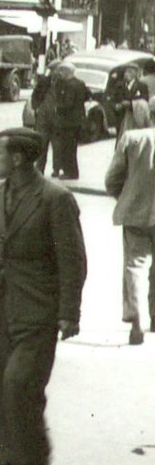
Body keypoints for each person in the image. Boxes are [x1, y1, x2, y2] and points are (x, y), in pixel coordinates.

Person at [0, 128, 85, 465]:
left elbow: (73, 260)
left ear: (18, 158)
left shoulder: (55, 198)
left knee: (20, 382)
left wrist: (69, 312)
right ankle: (8, 455)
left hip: (37, 304)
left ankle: (35, 457)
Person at [105, 125, 155, 345]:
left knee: (135, 265)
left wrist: (127, 198)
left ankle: (138, 320)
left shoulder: (132, 138)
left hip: (136, 215)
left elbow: (112, 180)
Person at [49, 62, 89, 180]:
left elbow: (68, 103)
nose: (60, 73)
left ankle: (70, 172)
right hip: (78, 120)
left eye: (62, 71)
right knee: (73, 148)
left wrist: (57, 107)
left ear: (67, 72)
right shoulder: (80, 83)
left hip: (68, 121)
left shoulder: (69, 85)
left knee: (67, 148)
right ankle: (73, 171)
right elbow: (88, 96)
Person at [111, 64, 150, 139]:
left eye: (130, 72)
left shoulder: (142, 86)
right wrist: (116, 106)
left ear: (135, 73)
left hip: (135, 117)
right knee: (121, 138)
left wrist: (131, 104)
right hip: (121, 117)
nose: (127, 74)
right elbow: (112, 99)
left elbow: (145, 100)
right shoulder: (119, 86)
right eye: (126, 72)